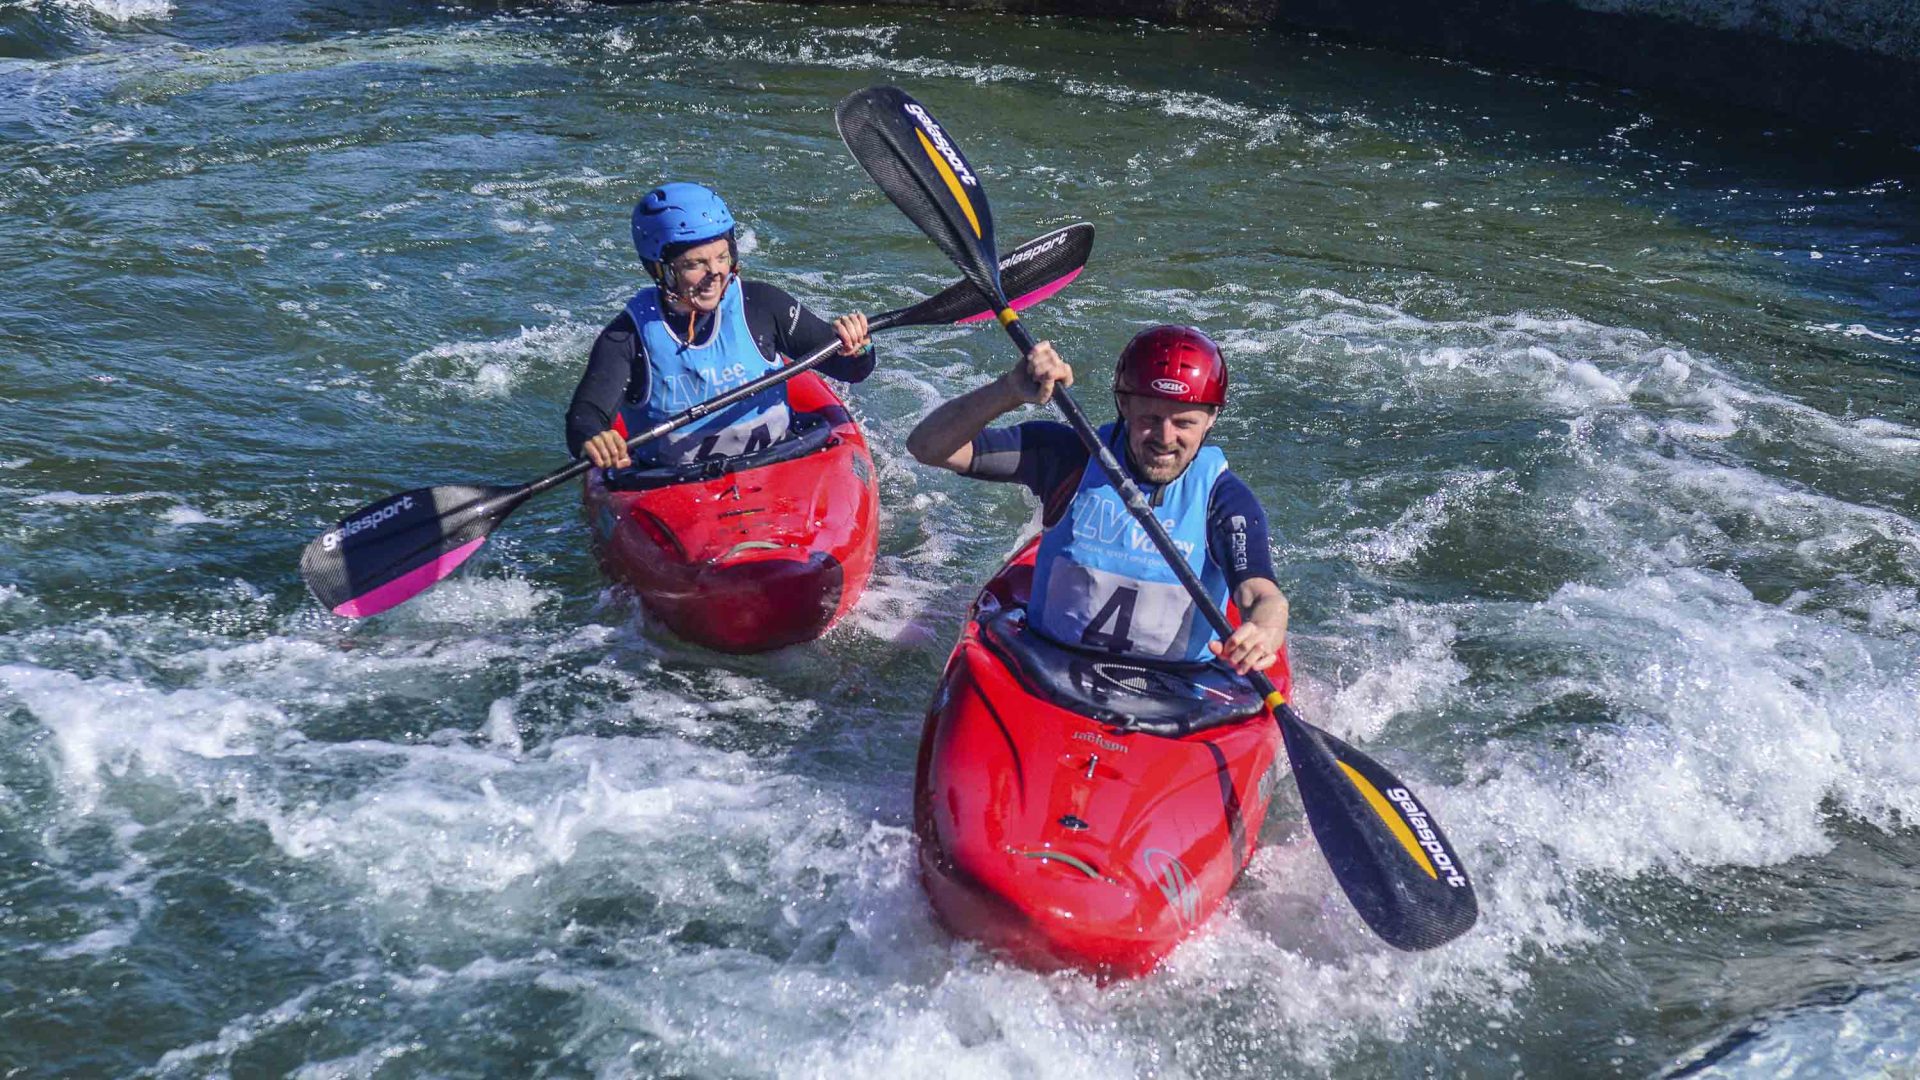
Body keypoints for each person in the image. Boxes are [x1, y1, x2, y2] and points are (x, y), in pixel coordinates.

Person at [906, 325, 1288, 676]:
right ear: (1124, 406)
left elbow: (1260, 593)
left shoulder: (1223, 499)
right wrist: (1007, 390)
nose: (1165, 437)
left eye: (1184, 423)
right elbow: (928, 447)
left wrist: (1265, 630)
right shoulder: (1069, 456)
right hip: (1046, 671)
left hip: (1176, 688)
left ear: (1211, 419)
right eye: (1150, 418)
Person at [566, 182, 876, 469]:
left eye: (721, 257)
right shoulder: (627, 337)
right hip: (675, 489)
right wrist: (594, 439)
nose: (715, 272)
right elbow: (585, 416)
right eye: (694, 264)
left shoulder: (763, 305)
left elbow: (851, 371)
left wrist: (857, 346)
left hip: (780, 467)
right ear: (659, 270)